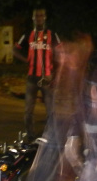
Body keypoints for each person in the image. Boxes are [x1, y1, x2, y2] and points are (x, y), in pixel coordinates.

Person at [13, 8, 62, 141]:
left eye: (41, 16)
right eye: (36, 16)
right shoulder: (28, 34)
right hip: (31, 78)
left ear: (45, 17)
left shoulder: (52, 34)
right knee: (28, 110)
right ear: (33, 18)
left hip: (47, 77)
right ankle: (30, 135)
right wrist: (26, 60)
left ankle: (50, 135)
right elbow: (15, 50)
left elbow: (60, 54)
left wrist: (56, 75)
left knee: (50, 110)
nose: (39, 18)